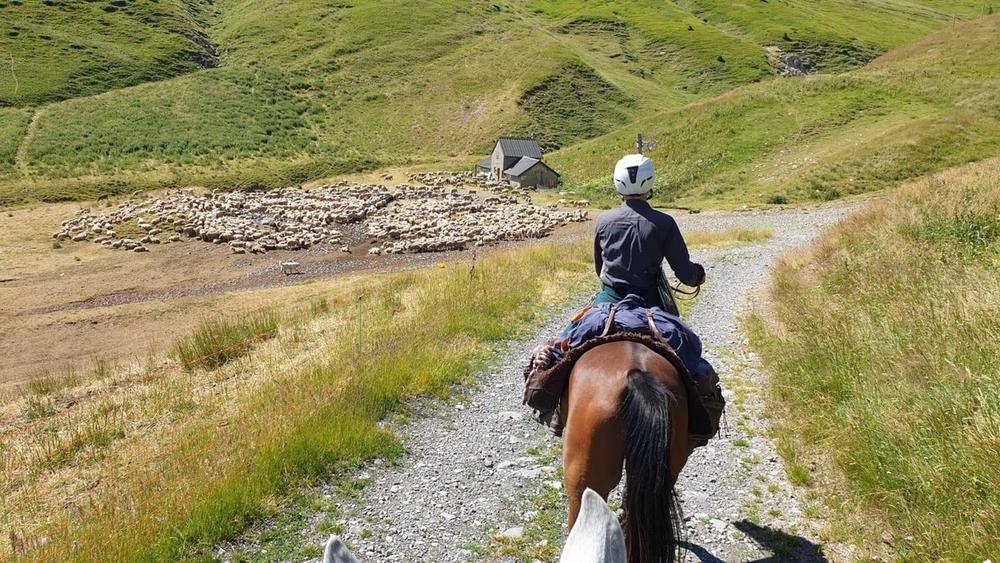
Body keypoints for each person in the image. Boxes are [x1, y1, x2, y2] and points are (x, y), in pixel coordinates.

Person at [527, 154, 724, 442]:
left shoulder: (604, 220)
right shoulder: (665, 223)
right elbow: (684, 274)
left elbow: (600, 268)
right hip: (652, 304)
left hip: (608, 301)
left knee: (562, 344)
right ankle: (701, 418)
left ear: (617, 183)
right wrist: (698, 275)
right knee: (690, 353)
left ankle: (552, 404)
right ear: (650, 182)